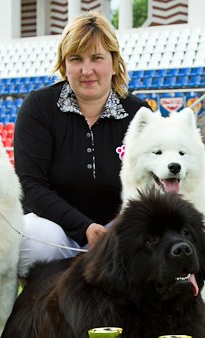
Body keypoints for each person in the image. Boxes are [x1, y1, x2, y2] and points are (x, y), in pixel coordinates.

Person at [13, 11, 150, 277]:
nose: (86, 70)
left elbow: (149, 186)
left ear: (114, 62)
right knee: (32, 237)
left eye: (97, 58)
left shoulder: (139, 113)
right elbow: (31, 186)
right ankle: (46, 303)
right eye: (76, 59)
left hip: (118, 231)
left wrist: (114, 231)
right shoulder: (39, 107)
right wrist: (85, 228)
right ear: (64, 65)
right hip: (56, 232)